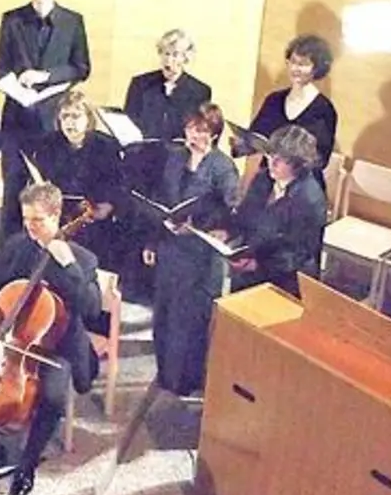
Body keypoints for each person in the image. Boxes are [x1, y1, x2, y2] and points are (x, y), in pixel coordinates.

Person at [0, 182, 102, 495]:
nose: (30, 227)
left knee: (51, 393)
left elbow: (91, 309)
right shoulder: (16, 247)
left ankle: (27, 464)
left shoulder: (83, 258)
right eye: (25, 219)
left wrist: (68, 266)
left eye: (37, 220)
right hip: (9, 337)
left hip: (57, 345)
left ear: (56, 216)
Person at [141, 104, 240, 397]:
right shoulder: (175, 158)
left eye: (201, 130)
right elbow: (162, 201)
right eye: (190, 128)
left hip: (200, 253)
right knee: (164, 313)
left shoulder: (223, 167)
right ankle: (165, 375)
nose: (193, 135)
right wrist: (152, 240)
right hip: (171, 247)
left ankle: (187, 380)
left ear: (214, 133)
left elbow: (232, 209)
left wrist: (205, 226)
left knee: (190, 319)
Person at [0, 0, 92, 239]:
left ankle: (52, 254)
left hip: (53, 119)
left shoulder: (72, 22)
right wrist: (17, 81)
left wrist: (46, 76)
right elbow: (0, 67)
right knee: (14, 190)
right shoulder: (12, 20)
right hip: (17, 119)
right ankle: (9, 258)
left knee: (50, 190)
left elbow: (82, 67)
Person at [27, 89, 126, 268]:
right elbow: (40, 182)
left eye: (76, 116)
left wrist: (109, 206)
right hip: (59, 217)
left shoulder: (106, 145)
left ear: (88, 119)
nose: (69, 122)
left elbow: (119, 184)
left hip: (95, 218)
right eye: (65, 116)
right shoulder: (48, 144)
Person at [226, 125, 329, 296]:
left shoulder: (310, 200)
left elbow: (297, 255)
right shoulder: (263, 179)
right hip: (250, 266)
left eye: (280, 160)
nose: (271, 163)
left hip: (284, 282)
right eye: (270, 156)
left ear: (298, 164)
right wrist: (226, 231)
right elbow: (244, 216)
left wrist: (257, 265)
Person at [122, 29, 212, 197]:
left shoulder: (200, 91)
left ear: (186, 58)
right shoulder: (141, 84)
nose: (168, 60)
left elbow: (200, 129)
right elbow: (129, 121)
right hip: (142, 159)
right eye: (165, 53)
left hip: (176, 163)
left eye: (175, 55)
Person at [247, 34, 339, 184]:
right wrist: (244, 143)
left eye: (303, 64)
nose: (296, 69)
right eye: (293, 62)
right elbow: (256, 135)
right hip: (269, 176)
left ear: (317, 68)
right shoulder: (274, 99)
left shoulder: (324, 110)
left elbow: (321, 159)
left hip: (301, 185)